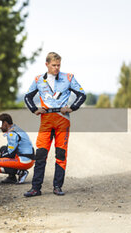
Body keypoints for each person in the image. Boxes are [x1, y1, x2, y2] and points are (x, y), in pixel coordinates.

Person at [23, 52, 86, 197]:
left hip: (62, 120)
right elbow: (27, 97)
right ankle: (35, 188)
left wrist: (72, 107)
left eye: (59, 65)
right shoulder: (38, 79)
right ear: (47, 64)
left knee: (61, 154)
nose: (57, 68)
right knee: (40, 155)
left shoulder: (68, 77)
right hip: (45, 120)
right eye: (54, 65)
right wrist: (34, 109)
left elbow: (82, 95)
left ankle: (57, 186)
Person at [0, 113, 35, 184]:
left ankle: (21, 172)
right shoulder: (15, 128)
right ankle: (12, 178)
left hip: (25, 161)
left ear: (5, 123)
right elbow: (10, 149)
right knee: (3, 149)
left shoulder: (12, 133)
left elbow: (10, 154)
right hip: (28, 157)